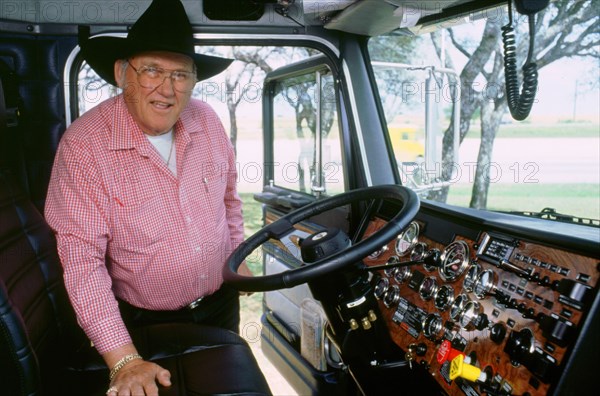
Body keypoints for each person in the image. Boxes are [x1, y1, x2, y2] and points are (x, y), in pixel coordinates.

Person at [45, 0, 251, 394]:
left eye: (180, 75)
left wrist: (237, 261)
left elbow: (229, 200)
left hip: (220, 304)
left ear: (193, 81)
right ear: (123, 73)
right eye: (152, 70)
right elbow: (82, 263)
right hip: (142, 324)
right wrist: (124, 358)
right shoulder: (84, 146)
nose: (167, 89)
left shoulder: (207, 120)